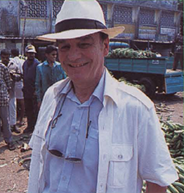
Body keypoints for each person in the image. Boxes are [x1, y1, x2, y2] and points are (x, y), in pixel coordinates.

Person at [27, 1, 178, 193]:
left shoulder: (136, 108)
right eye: (65, 47)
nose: (73, 56)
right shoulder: (52, 97)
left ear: (105, 46)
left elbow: (157, 182)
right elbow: (40, 165)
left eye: (84, 44)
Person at [0, 49, 21, 133]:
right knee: (2, 111)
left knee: (12, 108)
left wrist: (14, 76)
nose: (5, 59)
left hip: (11, 91)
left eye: (6, 57)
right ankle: (3, 126)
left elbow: (20, 76)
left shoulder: (14, 65)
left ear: (9, 57)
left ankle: (13, 125)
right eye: (3, 57)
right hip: (0, 92)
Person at [22, 45, 40, 133]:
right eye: (29, 53)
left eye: (32, 53)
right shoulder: (25, 64)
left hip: (35, 92)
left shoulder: (38, 65)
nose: (31, 55)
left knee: (35, 111)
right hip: (27, 91)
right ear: (26, 54)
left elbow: (39, 79)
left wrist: (36, 90)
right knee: (28, 110)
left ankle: (36, 128)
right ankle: (30, 126)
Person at [11, 48, 25, 126]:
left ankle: (15, 118)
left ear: (12, 54)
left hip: (13, 83)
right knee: (21, 102)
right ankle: (21, 119)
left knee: (14, 102)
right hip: (20, 82)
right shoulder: (22, 61)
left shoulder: (11, 61)